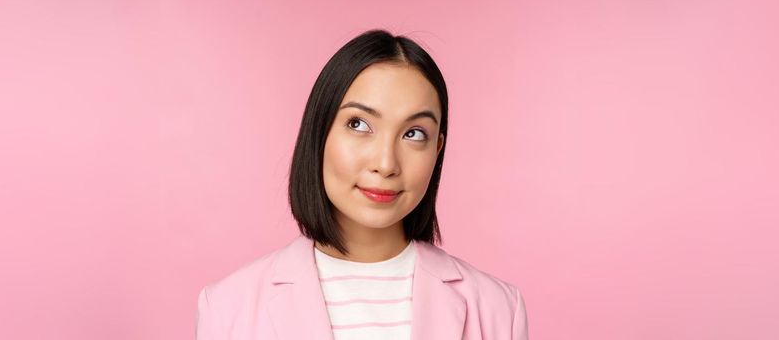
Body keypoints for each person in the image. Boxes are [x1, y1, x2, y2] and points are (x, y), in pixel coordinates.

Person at [195, 28, 529, 340]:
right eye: (358, 124)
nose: (385, 164)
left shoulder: (499, 308)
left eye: (414, 134)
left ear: (437, 149)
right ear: (320, 131)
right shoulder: (227, 307)